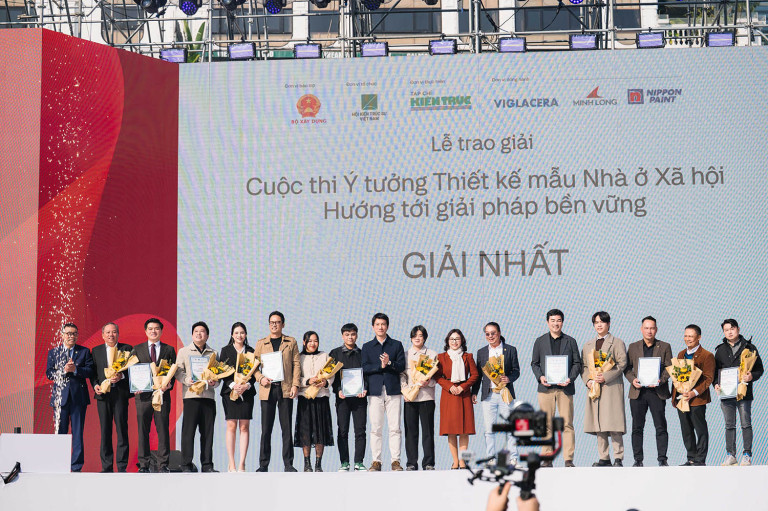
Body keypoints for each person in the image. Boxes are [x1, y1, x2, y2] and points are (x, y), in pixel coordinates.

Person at [530, 309, 581, 467]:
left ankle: (568, 459)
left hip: (565, 388)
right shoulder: (540, 341)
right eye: (552, 320)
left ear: (562, 322)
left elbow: (577, 363)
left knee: (567, 423)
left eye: (558, 320)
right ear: (547, 322)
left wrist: (570, 378)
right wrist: (540, 377)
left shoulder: (570, 341)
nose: (555, 323)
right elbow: (534, 363)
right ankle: (547, 457)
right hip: (545, 389)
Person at [252, 311, 301, 472]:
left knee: (286, 428)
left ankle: (288, 464)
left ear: (283, 324)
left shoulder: (291, 342)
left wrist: (295, 385)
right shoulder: (261, 343)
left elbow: (296, 364)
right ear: (269, 324)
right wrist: (260, 378)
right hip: (267, 389)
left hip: (285, 388)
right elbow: (253, 367)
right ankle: (263, 464)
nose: (274, 325)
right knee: (266, 429)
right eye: (272, 322)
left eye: (278, 322)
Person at [623, 316, 673, 467]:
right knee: (637, 427)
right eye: (646, 328)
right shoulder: (633, 347)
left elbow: (670, 368)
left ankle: (662, 459)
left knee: (660, 426)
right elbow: (627, 368)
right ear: (641, 329)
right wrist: (633, 380)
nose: (649, 331)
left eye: (652, 328)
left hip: (657, 391)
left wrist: (660, 380)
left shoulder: (664, 346)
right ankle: (638, 460)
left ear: (656, 329)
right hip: (638, 392)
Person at [713, 319, 763, 466]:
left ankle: (747, 455)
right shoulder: (720, 350)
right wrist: (716, 384)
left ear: (738, 329)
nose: (729, 332)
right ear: (723, 332)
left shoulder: (749, 347)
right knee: (729, 425)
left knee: (746, 423)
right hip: (726, 393)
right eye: (726, 330)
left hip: (744, 393)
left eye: (732, 328)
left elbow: (759, 369)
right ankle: (730, 455)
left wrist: (751, 376)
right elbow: (715, 372)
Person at [45, 322, 94, 472]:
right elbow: (49, 373)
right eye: (68, 333)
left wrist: (75, 370)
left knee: (78, 433)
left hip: (78, 398)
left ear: (77, 335)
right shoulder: (54, 352)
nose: (71, 336)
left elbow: (90, 371)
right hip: (60, 398)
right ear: (62, 335)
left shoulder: (84, 351)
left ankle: (76, 466)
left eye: (74, 333)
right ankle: (59, 465)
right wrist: (63, 371)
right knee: (60, 432)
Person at [581, 311, 628, 467]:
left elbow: (622, 364)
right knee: (599, 423)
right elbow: (584, 366)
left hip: (611, 387)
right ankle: (604, 457)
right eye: (596, 322)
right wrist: (588, 380)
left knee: (614, 423)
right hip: (595, 387)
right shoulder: (588, 345)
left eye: (602, 322)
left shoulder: (617, 342)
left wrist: (606, 376)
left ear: (608, 324)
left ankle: (618, 457)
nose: (599, 325)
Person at [130, 317, 176, 473]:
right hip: (142, 397)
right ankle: (143, 464)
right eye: (150, 329)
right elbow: (133, 370)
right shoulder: (137, 349)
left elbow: (173, 372)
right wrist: (135, 385)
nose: (153, 331)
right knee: (143, 430)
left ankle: (163, 464)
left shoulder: (169, 349)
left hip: (162, 395)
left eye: (156, 328)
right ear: (145, 331)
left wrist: (169, 385)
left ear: (161, 331)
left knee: (163, 430)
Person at [361, 312, 406, 471]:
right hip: (375, 391)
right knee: (376, 428)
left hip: (393, 390)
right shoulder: (367, 347)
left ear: (387, 326)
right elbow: (364, 368)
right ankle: (376, 461)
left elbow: (401, 366)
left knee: (395, 427)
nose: (380, 327)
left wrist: (390, 363)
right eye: (377, 324)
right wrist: (380, 366)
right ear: (373, 327)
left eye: (383, 324)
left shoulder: (396, 345)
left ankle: (396, 461)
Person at [472, 322, 520, 464]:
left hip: (506, 393)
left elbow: (516, 371)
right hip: (489, 394)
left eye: (493, 333)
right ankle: (490, 458)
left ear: (499, 333)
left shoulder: (510, 350)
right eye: (487, 334)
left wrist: (509, 378)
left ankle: (513, 458)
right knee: (489, 428)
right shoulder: (481, 352)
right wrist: (474, 392)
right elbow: (478, 375)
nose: (490, 336)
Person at [175, 321, 219, 472]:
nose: (199, 334)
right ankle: (186, 464)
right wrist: (187, 379)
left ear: (207, 335)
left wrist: (214, 382)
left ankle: (207, 465)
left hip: (208, 397)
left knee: (207, 433)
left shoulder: (213, 353)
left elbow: (218, 374)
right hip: (191, 396)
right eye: (196, 331)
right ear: (192, 335)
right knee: (188, 432)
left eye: (202, 331)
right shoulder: (184, 352)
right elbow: (178, 371)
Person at [90, 322, 133, 472]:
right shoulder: (96, 351)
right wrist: (95, 385)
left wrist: (121, 376)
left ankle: (122, 466)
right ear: (103, 335)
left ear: (118, 334)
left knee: (122, 429)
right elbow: (93, 373)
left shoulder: (127, 349)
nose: (111, 335)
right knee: (105, 430)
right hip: (103, 395)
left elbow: (133, 371)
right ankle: (106, 466)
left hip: (120, 394)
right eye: (108, 332)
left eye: (114, 332)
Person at [436, 328, 479, 469]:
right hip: (448, 395)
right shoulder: (441, 357)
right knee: (451, 429)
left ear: (462, 341)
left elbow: (475, 375)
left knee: (465, 430)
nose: (454, 342)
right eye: (452, 339)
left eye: (457, 339)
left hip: (464, 394)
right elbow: (437, 376)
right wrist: (449, 386)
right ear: (447, 341)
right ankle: (455, 461)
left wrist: (463, 387)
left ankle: (462, 460)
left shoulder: (468, 356)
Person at [674, 324, 715, 466]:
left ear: (699, 337)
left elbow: (708, 378)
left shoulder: (707, 355)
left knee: (700, 428)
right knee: (686, 429)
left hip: (697, 398)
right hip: (682, 398)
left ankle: (700, 459)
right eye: (685, 336)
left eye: (691, 336)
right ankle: (691, 457)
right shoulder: (681, 354)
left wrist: (693, 392)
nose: (688, 339)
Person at [329, 323, 368, 472]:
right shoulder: (335, 353)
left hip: (360, 398)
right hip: (342, 398)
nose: (350, 337)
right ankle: (344, 462)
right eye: (347, 334)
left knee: (360, 430)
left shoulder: (363, 353)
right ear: (342, 336)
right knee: (342, 430)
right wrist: (338, 390)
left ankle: (359, 462)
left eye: (352, 334)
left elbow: (367, 375)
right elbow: (330, 375)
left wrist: (365, 388)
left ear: (356, 335)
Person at [295, 331, 335, 472]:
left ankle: (318, 464)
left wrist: (325, 382)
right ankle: (307, 464)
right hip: (305, 398)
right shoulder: (299, 357)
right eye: (310, 341)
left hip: (321, 397)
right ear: (304, 342)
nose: (313, 343)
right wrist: (307, 381)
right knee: (305, 431)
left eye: (315, 341)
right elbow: (295, 377)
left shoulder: (325, 356)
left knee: (320, 431)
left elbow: (332, 375)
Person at [219, 322, 256, 472]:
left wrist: (246, 386)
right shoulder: (226, 350)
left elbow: (255, 374)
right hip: (230, 393)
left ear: (245, 334)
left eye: (242, 333)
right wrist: (234, 385)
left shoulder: (251, 351)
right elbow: (222, 372)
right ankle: (232, 463)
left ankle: (242, 463)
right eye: (236, 333)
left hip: (247, 393)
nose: (239, 335)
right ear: (232, 335)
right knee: (231, 426)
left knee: (244, 427)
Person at [399, 325, 438, 470]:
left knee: (428, 431)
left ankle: (429, 463)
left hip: (426, 397)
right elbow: (402, 375)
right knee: (410, 431)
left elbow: (437, 377)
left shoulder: (432, 354)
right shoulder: (405, 355)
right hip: (410, 398)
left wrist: (429, 382)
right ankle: (411, 463)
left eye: (420, 335)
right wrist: (405, 391)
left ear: (425, 338)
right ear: (411, 338)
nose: (417, 338)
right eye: (414, 335)